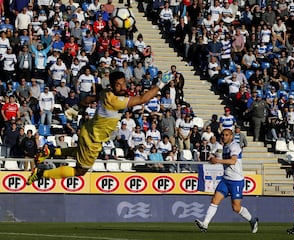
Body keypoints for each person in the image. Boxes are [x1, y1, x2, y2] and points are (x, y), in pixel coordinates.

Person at [26, 71, 172, 185]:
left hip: (87, 132)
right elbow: (143, 99)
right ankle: (41, 174)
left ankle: (52, 151)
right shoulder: (116, 101)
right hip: (93, 139)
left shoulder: (106, 92)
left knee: (79, 152)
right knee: (80, 170)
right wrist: (161, 83)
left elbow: (89, 99)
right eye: (118, 85)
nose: (122, 87)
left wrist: (77, 108)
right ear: (113, 85)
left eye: (123, 83)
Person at [195, 129, 259, 233]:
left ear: (231, 136)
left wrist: (217, 161)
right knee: (215, 200)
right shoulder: (224, 146)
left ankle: (253, 221)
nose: (224, 137)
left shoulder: (235, 146)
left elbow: (233, 161)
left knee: (236, 208)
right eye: (223, 135)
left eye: (226, 135)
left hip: (236, 180)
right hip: (226, 179)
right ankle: (205, 224)